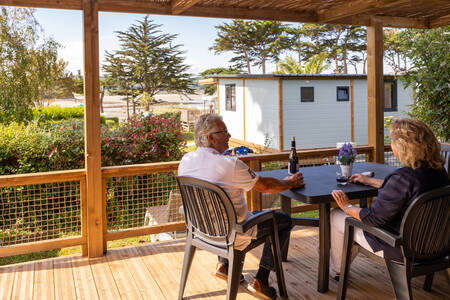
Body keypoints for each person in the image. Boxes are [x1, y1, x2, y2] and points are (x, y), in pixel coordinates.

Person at [178, 113, 304, 300]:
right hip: (232, 234)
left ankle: (225, 265)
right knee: (282, 220)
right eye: (224, 132)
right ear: (210, 138)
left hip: (202, 230)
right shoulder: (230, 165)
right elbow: (266, 186)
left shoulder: (186, 161)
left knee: (227, 214)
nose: (229, 136)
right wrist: (290, 182)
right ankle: (261, 279)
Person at [330, 118, 450, 279]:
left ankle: (337, 270)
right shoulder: (439, 171)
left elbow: (373, 218)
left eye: (393, 141)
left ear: (402, 147)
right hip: (436, 245)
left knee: (337, 215)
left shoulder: (402, 178)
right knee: (346, 218)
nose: (391, 145)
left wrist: (347, 206)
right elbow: (408, 191)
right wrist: (369, 181)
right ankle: (336, 257)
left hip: (399, 247)